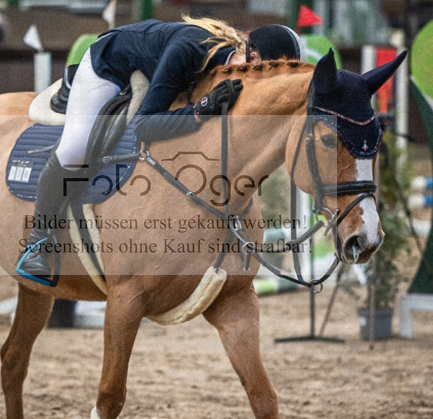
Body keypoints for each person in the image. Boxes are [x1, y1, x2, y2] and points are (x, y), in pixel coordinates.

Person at [16, 17, 300, 285]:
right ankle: (38, 242)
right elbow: (145, 126)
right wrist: (201, 110)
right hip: (109, 65)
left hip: (153, 67)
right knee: (75, 149)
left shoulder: (230, 70)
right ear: (253, 59)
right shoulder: (188, 49)